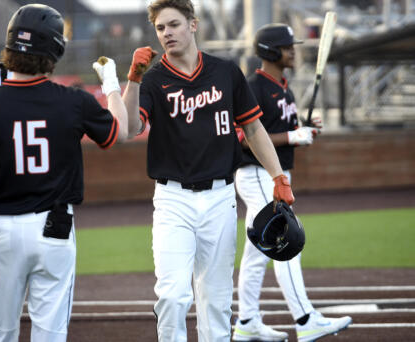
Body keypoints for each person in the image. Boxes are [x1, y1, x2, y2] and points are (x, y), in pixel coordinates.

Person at [0, 4, 128, 342]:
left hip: (2, 231)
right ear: (55, 49)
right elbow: (115, 134)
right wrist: (111, 85)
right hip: (54, 229)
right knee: (50, 333)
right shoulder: (74, 101)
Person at [121, 1, 295, 341]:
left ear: (193, 25)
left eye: (173, 24)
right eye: (160, 28)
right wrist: (134, 79)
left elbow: (254, 129)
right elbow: (129, 129)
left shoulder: (225, 72)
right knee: (173, 296)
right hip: (173, 200)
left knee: (216, 302)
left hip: (220, 198)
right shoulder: (153, 79)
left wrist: (278, 176)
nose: (167, 33)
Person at [232, 24, 352, 342]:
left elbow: (278, 128)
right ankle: (305, 319)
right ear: (271, 51)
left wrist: (302, 128)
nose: (293, 51)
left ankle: (246, 321)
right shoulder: (254, 87)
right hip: (257, 174)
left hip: (274, 174)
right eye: (288, 47)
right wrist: (291, 136)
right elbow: (244, 138)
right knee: (287, 243)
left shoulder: (284, 87)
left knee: (257, 254)